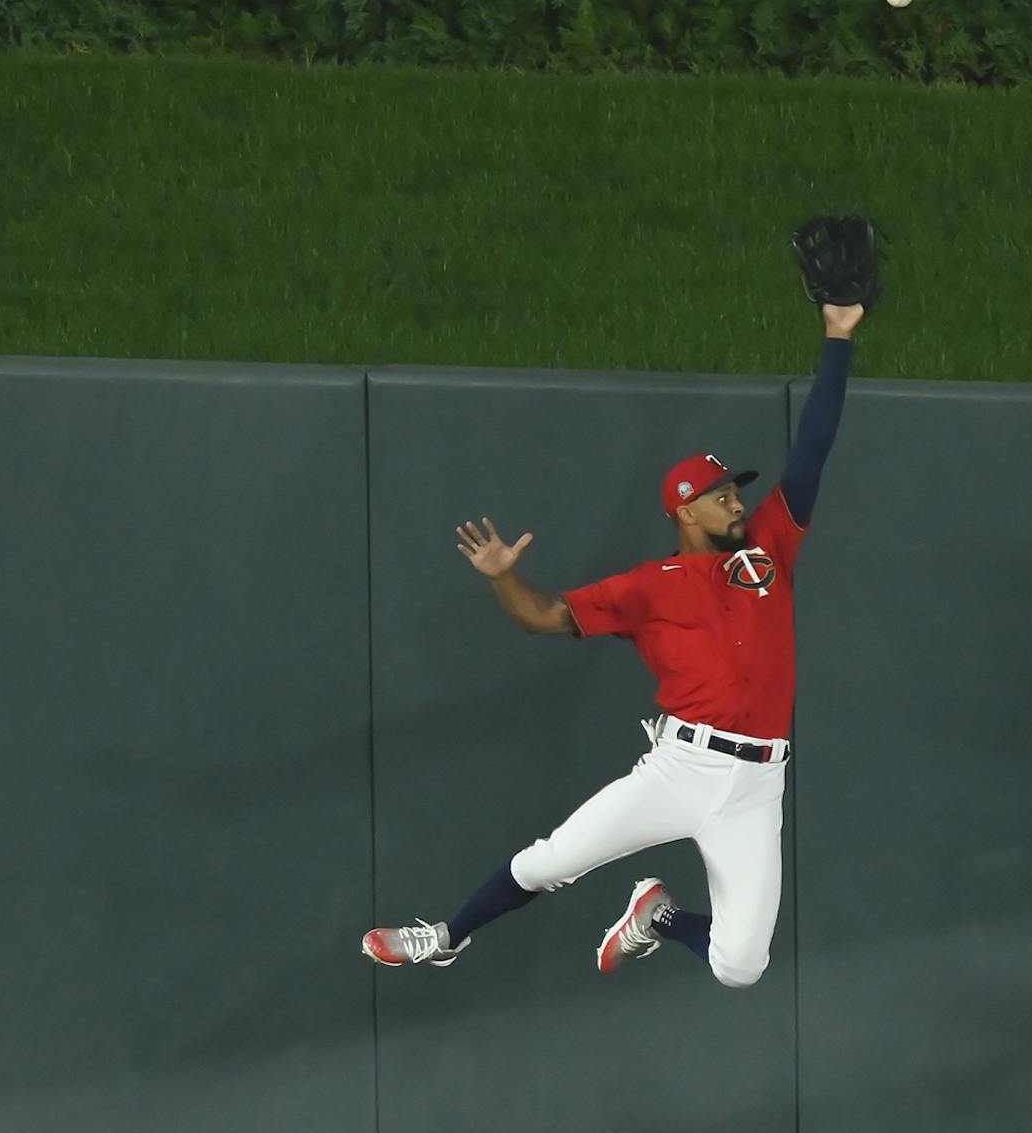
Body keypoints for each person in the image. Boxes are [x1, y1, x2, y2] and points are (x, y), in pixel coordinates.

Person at [361, 299, 865, 986]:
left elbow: (814, 446)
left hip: (758, 785)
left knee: (741, 966)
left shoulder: (770, 548)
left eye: (736, 493)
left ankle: (656, 920)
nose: (738, 504)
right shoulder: (648, 586)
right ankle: (445, 935)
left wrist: (837, 338)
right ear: (685, 511)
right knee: (550, 861)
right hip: (682, 770)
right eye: (721, 497)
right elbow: (542, 615)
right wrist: (506, 579)